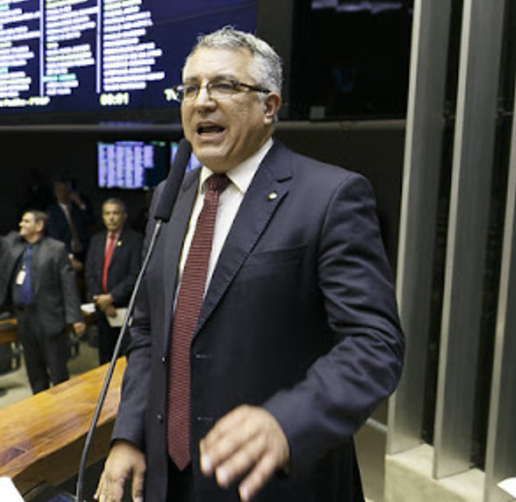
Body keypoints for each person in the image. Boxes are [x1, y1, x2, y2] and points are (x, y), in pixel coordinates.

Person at [96, 27, 404, 502]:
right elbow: (146, 333)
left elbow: (375, 343)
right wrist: (130, 434)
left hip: (277, 482)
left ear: (269, 106)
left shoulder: (330, 197)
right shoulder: (168, 197)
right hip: (167, 478)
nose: (201, 101)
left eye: (224, 85)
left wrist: (289, 420)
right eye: (190, 88)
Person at [0, 194, 86, 394]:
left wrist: (76, 318)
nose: (21, 223)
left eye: (26, 221)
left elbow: (68, 285)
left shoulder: (55, 249)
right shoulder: (13, 242)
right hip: (24, 317)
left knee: (58, 374)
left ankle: (63, 417)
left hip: (50, 317)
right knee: (35, 372)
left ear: (39, 226)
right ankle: (40, 413)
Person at [84, 198, 142, 364]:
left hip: (123, 309)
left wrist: (111, 298)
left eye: (115, 213)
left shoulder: (135, 240)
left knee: (124, 358)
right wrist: (100, 299)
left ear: (124, 216)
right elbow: (90, 273)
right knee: (104, 356)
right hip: (101, 308)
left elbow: (135, 275)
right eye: (107, 213)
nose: (111, 217)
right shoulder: (96, 240)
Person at [46, 177, 91, 267]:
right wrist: (69, 257)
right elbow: (55, 237)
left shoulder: (77, 209)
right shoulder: (51, 212)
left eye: (66, 190)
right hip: (65, 254)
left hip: (83, 252)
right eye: (59, 190)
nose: (63, 193)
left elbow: (90, 222)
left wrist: (80, 204)